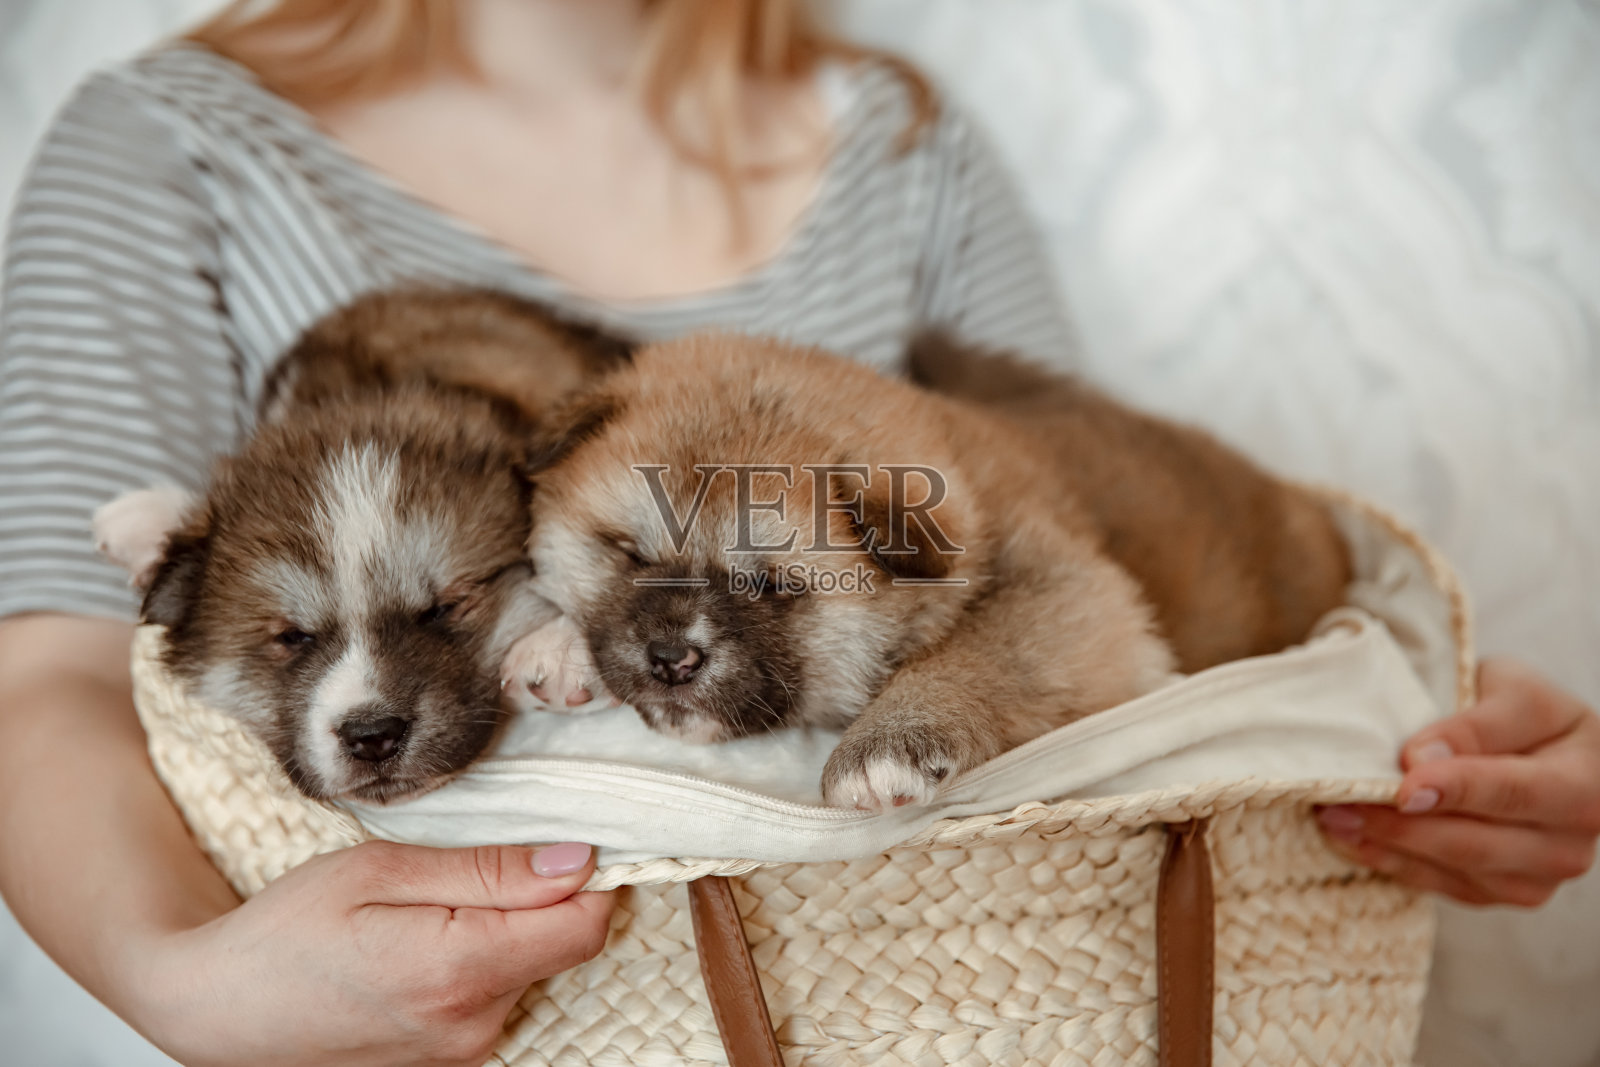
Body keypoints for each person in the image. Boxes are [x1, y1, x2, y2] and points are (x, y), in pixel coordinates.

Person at [0, 1, 1594, 1064]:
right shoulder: (170, 153)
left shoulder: (901, 144)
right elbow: (52, 669)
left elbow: (1062, 548)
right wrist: (171, 975)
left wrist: (1436, 743)